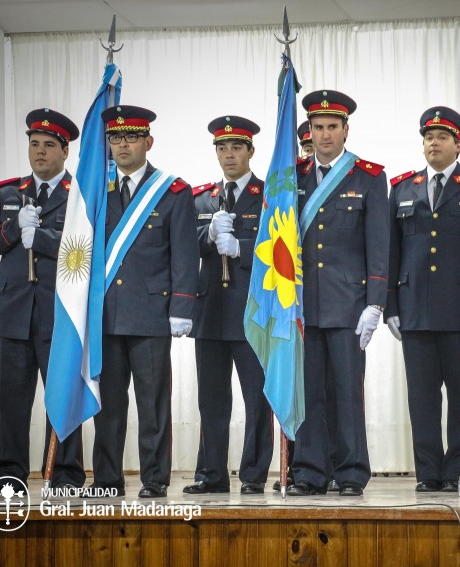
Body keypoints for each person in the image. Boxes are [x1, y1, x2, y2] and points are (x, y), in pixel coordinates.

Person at [0, 108, 85, 494]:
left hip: (60, 314)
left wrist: (46, 240)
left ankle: (66, 475)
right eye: (34, 144)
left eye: (49, 146)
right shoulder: (7, 193)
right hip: (11, 314)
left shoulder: (81, 196)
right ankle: (7, 475)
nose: (39, 152)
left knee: (64, 399)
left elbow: (88, 251)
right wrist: (12, 228)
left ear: (65, 152)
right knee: (9, 403)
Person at [91, 105, 199, 498]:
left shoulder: (172, 191)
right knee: (108, 407)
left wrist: (181, 308)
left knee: (153, 405)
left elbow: (184, 253)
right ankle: (106, 480)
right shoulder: (94, 189)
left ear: (148, 142)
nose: (122, 144)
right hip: (105, 314)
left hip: (152, 315)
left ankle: (154, 478)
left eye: (131, 137)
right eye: (115, 138)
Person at [286, 89, 389, 497]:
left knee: (347, 394)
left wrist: (375, 303)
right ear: (309, 130)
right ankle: (309, 471)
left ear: (346, 130)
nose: (325, 135)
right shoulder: (290, 178)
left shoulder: (368, 176)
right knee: (308, 393)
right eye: (318, 127)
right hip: (301, 305)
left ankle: (350, 472)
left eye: (332, 127)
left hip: (348, 306)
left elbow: (378, 245)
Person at [386, 106, 460, 492]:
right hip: (413, 310)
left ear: (457, 145)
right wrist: (390, 307)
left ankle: (455, 471)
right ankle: (428, 472)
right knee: (422, 399)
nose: (434, 143)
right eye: (428, 137)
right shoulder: (402, 187)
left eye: (442, 137)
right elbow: (391, 251)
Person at [184, 115, 272, 495]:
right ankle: (211, 474)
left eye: (237, 147)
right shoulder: (202, 197)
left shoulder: (269, 196)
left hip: (253, 312)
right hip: (211, 312)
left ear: (251, 150)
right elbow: (184, 248)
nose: (229, 154)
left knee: (258, 400)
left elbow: (283, 251)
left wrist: (244, 250)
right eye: (222, 147)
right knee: (212, 400)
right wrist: (207, 235)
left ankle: (253, 474)